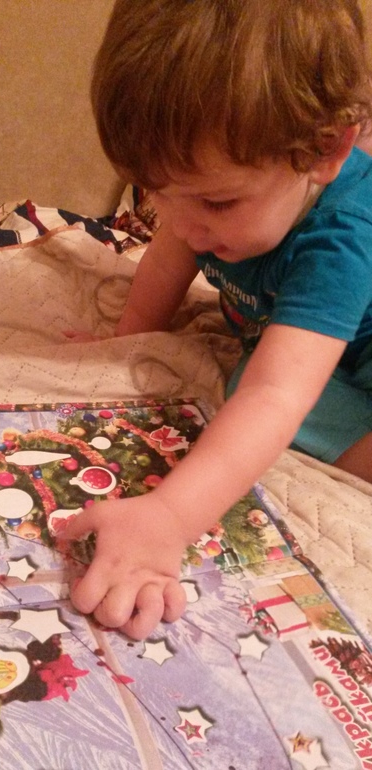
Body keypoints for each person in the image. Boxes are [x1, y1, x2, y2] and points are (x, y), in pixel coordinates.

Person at [64, 0, 372, 640]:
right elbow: (170, 252)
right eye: (158, 194)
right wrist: (126, 341)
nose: (185, 226)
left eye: (217, 202)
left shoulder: (345, 234)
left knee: (254, 391)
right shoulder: (194, 206)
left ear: (326, 150)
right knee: (245, 379)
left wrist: (169, 518)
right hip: (325, 352)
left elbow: (277, 393)